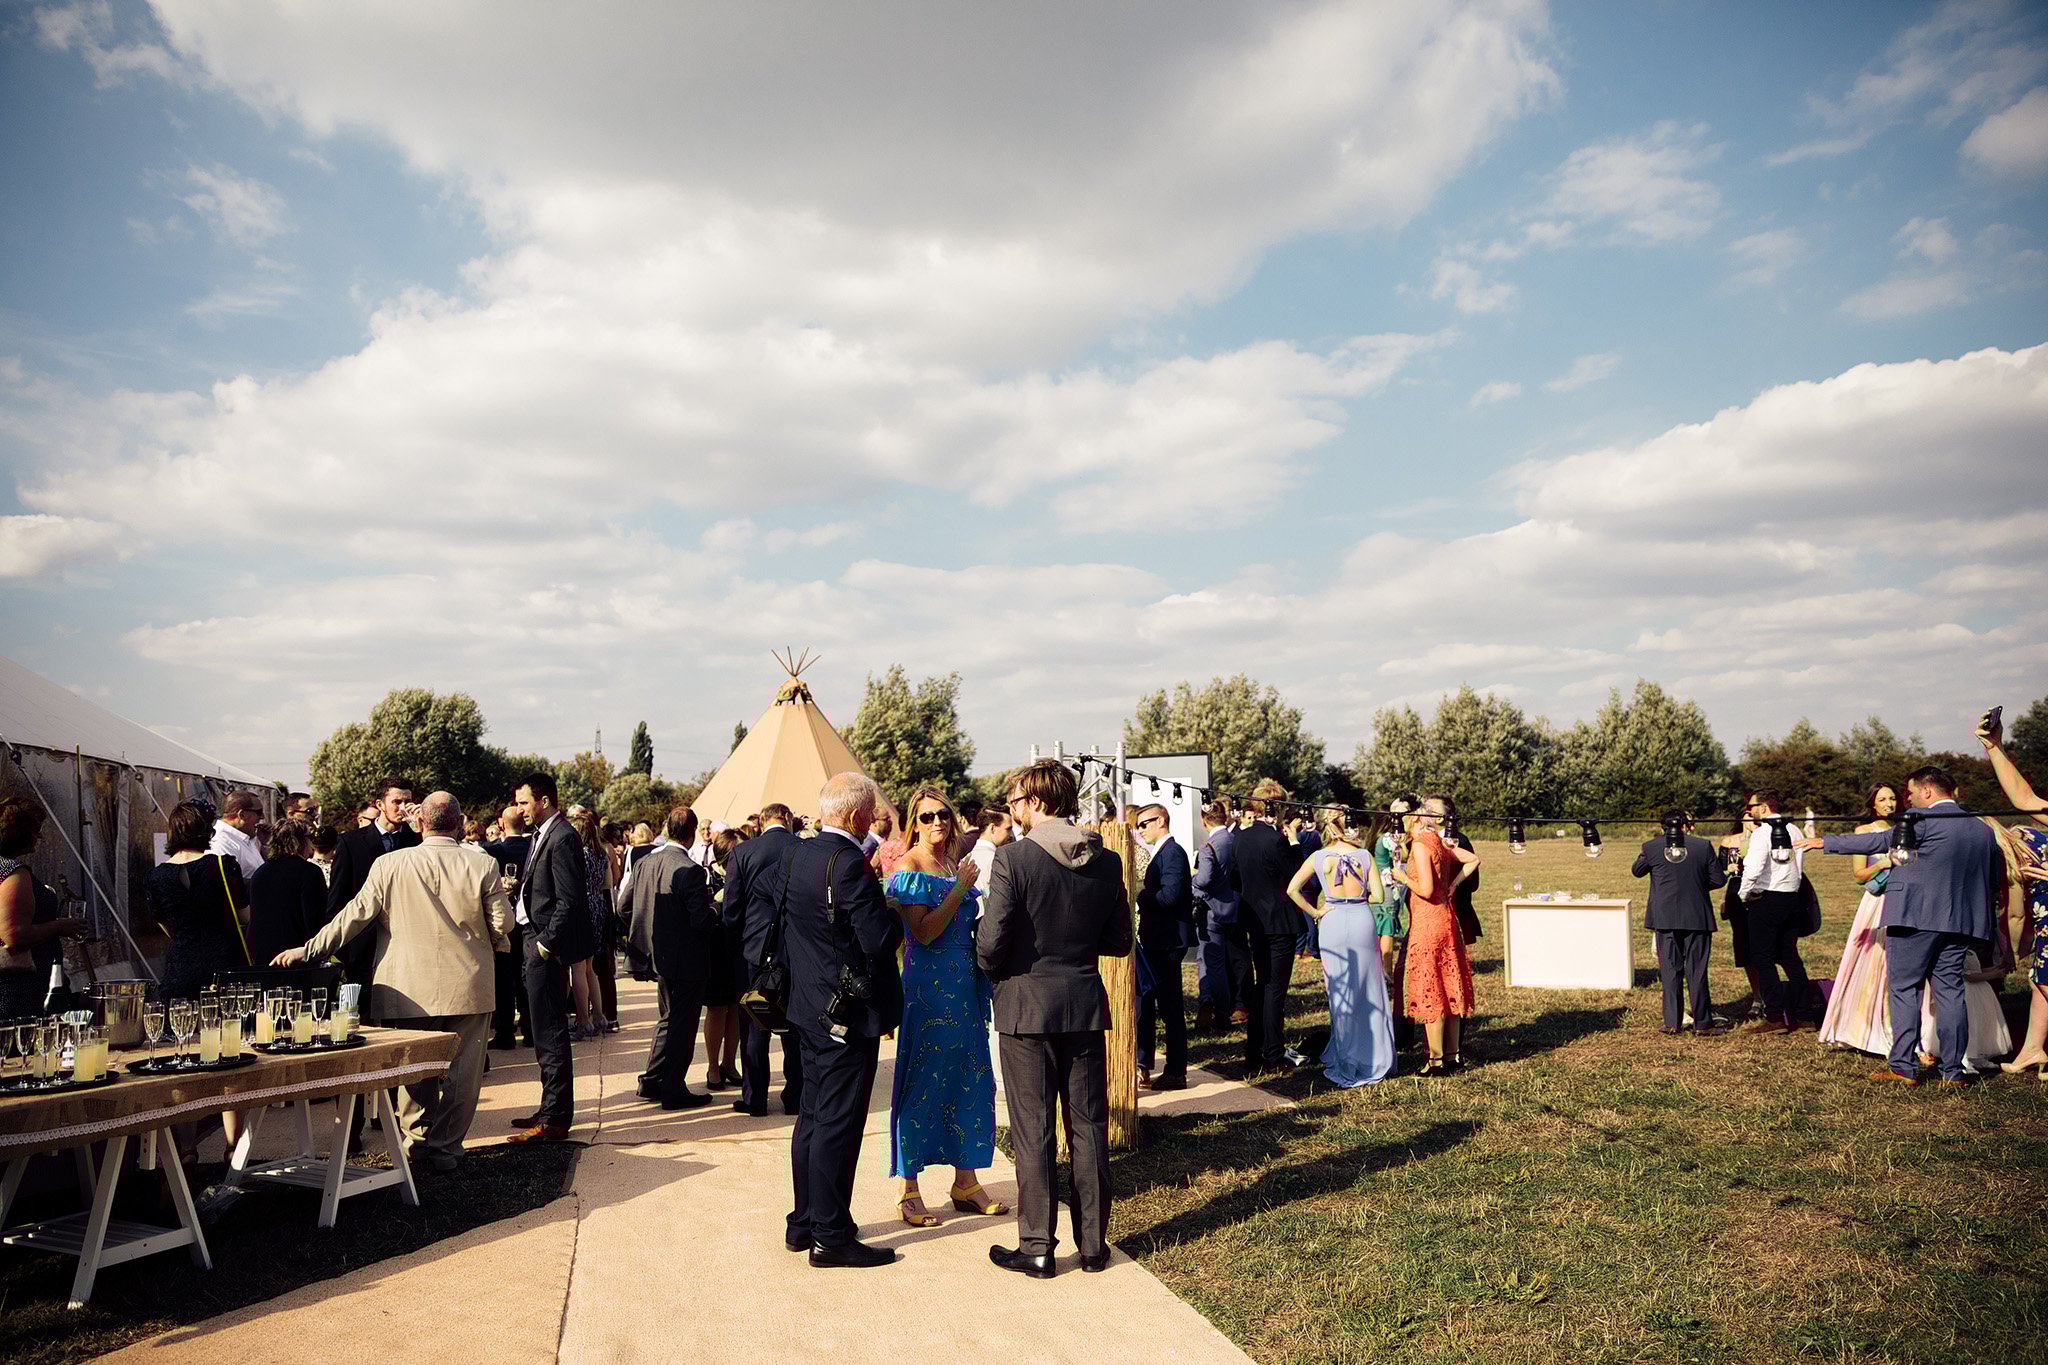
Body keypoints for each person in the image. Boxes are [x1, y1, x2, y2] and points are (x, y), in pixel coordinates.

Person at [272, 792, 510, 1171]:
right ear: (460, 824)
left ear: (420, 822)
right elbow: (503, 923)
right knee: (463, 1076)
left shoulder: (389, 864)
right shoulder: (481, 864)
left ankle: (415, 1144)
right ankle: (446, 1150)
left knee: (412, 1075)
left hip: (406, 986)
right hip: (468, 983)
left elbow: (354, 916)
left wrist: (310, 949)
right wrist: (494, 941)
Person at [978, 759, 1132, 1278]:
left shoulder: (1013, 860)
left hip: (1025, 1006)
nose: (1013, 810)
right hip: (1084, 1002)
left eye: (1016, 800)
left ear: (1036, 802)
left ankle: (1038, 1245)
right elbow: (1118, 941)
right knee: (1087, 1128)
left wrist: (991, 965)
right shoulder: (1107, 862)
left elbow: (992, 942)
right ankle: (1093, 1245)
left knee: (1034, 1129)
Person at [1801, 765, 2000, 1086]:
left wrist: (1824, 843)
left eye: (1909, 792)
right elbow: (1992, 880)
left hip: (1915, 919)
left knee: (1905, 989)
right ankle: (1953, 1071)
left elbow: (1880, 840)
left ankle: (1903, 1067)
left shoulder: (1924, 821)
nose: (1906, 799)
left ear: (1927, 791)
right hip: (1961, 922)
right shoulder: (1982, 829)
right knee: (1951, 993)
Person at [783, 772, 902, 1268]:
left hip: (808, 1004)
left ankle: (806, 1220)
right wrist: (894, 909)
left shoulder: (802, 854)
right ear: (856, 817)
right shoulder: (849, 863)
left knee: (813, 1116)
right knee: (837, 1122)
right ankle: (830, 1237)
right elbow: (878, 940)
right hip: (843, 1012)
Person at [886, 786, 1005, 1227]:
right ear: (913, 823)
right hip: (928, 990)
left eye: (943, 816)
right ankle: (909, 1187)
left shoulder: (954, 863)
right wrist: (960, 890)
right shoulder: (911, 866)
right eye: (927, 817)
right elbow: (924, 932)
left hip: (963, 986)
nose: (937, 823)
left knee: (969, 1079)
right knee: (922, 1082)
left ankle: (965, 1181)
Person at [508, 771, 593, 1142]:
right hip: (533, 939)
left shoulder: (562, 837)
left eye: (524, 802)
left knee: (551, 1031)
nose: (519, 809)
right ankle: (549, 1108)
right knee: (542, 1031)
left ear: (543, 801)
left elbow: (571, 901)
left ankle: (555, 1119)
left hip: (544, 946)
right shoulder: (545, 834)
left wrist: (544, 945)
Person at [1286, 810, 1395, 1085]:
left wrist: (1315, 911)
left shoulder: (1318, 857)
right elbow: (1380, 896)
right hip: (1360, 919)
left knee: (1340, 991)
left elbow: (1292, 890)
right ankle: (1375, 1054)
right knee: (1369, 988)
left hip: (1332, 920)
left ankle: (1347, 1058)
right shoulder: (1364, 856)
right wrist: (1357, 898)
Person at [623, 805, 715, 1109]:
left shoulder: (645, 863)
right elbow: (700, 920)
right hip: (685, 957)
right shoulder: (690, 870)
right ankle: (673, 1087)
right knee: (683, 1023)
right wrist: (716, 908)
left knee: (667, 1018)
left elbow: (624, 906)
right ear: (691, 834)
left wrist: (647, 929)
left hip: (656, 954)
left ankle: (652, 1080)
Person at [723, 801, 802, 1117]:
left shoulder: (743, 852)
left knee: (754, 1025)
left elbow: (732, 909)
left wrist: (735, 946)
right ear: (787, 817)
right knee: (795, 1025)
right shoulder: (803, 849)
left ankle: (755, 1098)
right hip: (796, 948)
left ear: (764, 821)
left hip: (754, 948)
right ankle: (795, 1096)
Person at [1816, 785, 1902, 1053]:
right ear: (1873, 804)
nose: (1889, 803)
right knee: (1873, 960)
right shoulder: (1863, 832)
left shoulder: (1905, 828)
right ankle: (1865, 1025)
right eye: (1883, 799)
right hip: (1877, 902)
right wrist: (1882, 864)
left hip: (1904, 900)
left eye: (1893, 798)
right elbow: (1858, 875)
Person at [1631, 810, 1728, 1037]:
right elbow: (1718, 879)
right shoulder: (1703, 846)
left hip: (1665, 918)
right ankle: (1703, 1023)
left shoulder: (1651, 847)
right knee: (1698, 971)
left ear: (1662, 825)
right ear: (1686, 825)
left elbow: (1637, 871)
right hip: (1697, 916)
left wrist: (1645, 852)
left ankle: (1672, 1022)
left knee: (1670, 971)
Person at [1234, 779, 1306, 1073]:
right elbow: (1298, 874)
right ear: (1277, 808)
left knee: (1261, 984)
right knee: (1275, 989)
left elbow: (1234, 880)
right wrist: (1295, 841)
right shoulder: (1275, 839)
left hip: (1254, 919)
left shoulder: (1240, 838)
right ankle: (1273, 1053)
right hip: (1279, 920)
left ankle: (1254, 1050)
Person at [146, 800, 252, 1000]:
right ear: (206, 831)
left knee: (182, 1027)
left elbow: (169, 929)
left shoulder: (155, 877)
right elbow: (244, 916)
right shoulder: (223, 865)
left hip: (181, 968)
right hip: (225, 966)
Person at [1403, 794, 1478, 1076]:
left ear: (1432, 817)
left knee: (1432, 989)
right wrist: (1455, 884)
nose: (1419, 813)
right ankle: (1452, 1056)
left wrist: (1402, 878)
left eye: (1424, 810)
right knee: (1448, 987)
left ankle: (1434, 1062)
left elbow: (1424, 889)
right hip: (1446, 921)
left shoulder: (1424, 845)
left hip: (1428, 923)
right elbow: (1473, 859)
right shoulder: (1443, 844)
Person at [328, 778, 422, 996]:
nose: (403, 808)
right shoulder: (350, 842)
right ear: (380, 804)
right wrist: (346, 949)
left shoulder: (418, 841)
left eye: (408, 802)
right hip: (362, 948)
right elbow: (338, 898)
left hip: (408, 945)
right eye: (396, 802)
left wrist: (421, 829)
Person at [0, 797, 88, 1017]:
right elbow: (14, 934)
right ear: (20, 833)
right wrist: (60, 927)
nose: (39, 837)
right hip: (19, 988)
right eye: (35, 830)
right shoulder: (13, 871)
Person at [1737, 790, 1810, 1034]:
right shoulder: (1795, 830)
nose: (1749, 811)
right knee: (1790, 956)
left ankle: (1775, 1015)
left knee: (1763, 958)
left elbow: (1753, 867)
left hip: (1767, 898)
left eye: (1752, 806)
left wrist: (1744, 894)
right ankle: (1804, 1011)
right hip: (1792, 897)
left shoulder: (1762, 833)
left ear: (1764, 807)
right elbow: (1799, 867)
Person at [1133, 803, 1193, 1090]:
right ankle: (1149, 1065)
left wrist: (1139, 895)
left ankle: (1176, 1071)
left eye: (1144, 823)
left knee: (1170, 1009)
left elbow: (1169, 897)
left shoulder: (1173, 853)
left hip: (1168, 941)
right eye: (1138, 824)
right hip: (1158, 940)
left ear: (1161, 820)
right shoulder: (1162, 852)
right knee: (1150, 1003)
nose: (1140, 829)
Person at [481, 804, 534, 1050]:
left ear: (501, 825)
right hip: (529, 920)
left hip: (503, 919)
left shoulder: (493, 851)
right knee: (527, 974)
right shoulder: (534, 849)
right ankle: (531, 1027)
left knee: (505, 978)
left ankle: (505, 1030)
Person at [1191, 799, 1244, 1033]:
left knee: (1213, 964)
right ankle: (1232, 1005)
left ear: (1204, 822)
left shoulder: (1209, 846)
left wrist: (1189, 881)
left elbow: (1203, 879)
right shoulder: (1236, 840)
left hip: (1212, 910)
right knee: (1234, 960)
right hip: (1236, 907)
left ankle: (1220, 1014)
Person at [246, 818, 329, 965]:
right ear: (300, 841)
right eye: (310, 838)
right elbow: (314, 919)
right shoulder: (310, 872)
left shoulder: (261, 872)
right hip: (296, 954)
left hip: (263, 953)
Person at [1372, 794, 1418, 1051]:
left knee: (1388, 926)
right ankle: (1386, 971)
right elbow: (1398, 857)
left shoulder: (1397, 837)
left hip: (1397, 885)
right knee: (1387, 926)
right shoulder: (1388, 839)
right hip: (1388, 886)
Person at [700, 828, 745, 1087]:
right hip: (716, 949)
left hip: (739, 948)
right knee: (717, 1009)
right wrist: (717, 902)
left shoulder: (744, 875)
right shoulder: (707, 876)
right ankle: (711, 1067)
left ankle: (729, 1063)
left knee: (736, 1009)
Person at [566, 807, 614, 1039]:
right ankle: (599, 1016)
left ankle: (583, 1020)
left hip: (580, 908)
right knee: (591, 968)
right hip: (598, 906)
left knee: (577, 967)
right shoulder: (601, 853)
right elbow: (607, 884)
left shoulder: (579, 855)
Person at [208, 791, 267, 882]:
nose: (262, 817)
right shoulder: (221, 842)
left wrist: (267, 844)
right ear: (242, 814)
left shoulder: (245, 838)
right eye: (259, 812)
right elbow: (227, 883)